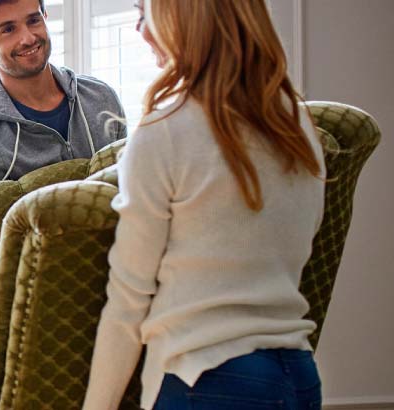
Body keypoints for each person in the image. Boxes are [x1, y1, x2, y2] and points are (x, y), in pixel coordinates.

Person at [82, 0, 326, 409]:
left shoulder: (165, 131)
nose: (140, 30)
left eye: (145, 12)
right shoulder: (299, 129)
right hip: (298, 378)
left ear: (179, 13)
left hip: (206, 379)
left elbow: (128, 303)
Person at [0, 0, 126, 191]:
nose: (27, 39)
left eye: (34, 20)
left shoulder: (101, 98)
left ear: (45, 18)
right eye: (9, 29)